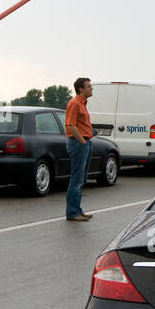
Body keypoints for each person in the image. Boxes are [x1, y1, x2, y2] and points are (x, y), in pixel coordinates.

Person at [64, 77, 94, 221]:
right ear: (80, 89)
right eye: (88, 86)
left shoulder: (83, 104)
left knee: (81, 178)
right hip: (78, 143)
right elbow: (70, 125)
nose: (91, 88)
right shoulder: (74, 103)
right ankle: (72, 212)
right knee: (76, 179)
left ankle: (77, 209)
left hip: (85, 142)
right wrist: (82, 142)